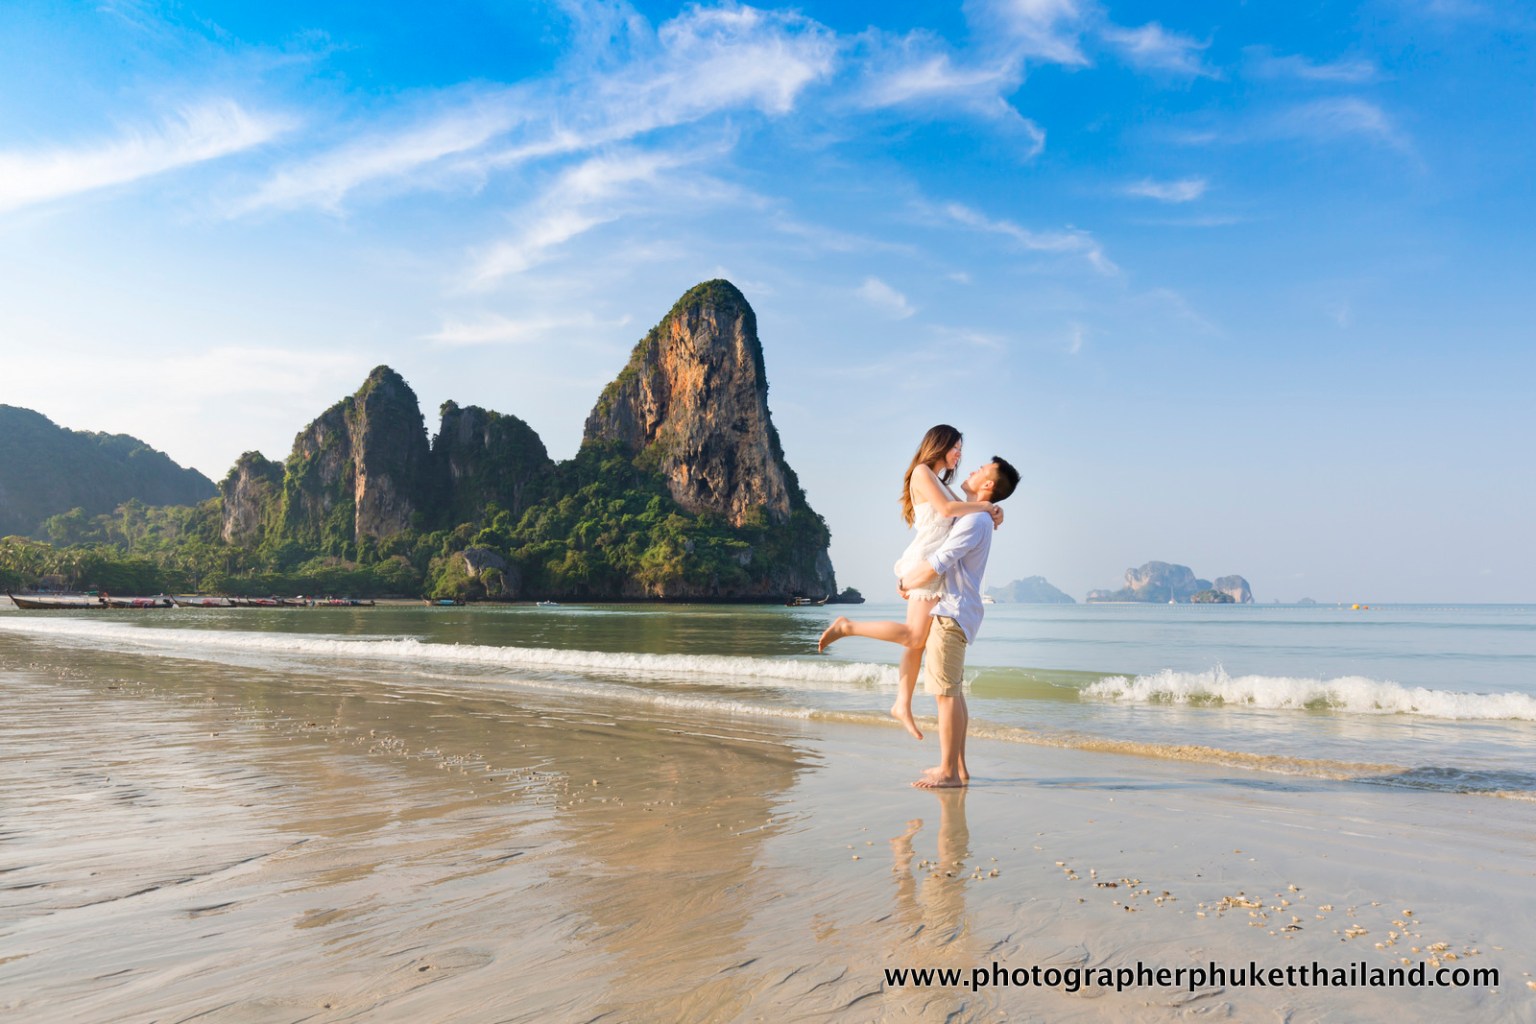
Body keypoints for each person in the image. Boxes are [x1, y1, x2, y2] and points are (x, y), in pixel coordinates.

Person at [818, 425, 1003, 740]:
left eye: (961, 448)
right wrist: (985, 506)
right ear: (939, 445)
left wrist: (994, 512)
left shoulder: (944, 485)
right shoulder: (921, 472)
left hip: (932, 565)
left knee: (915, 642)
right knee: (914, 637)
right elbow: (948, 511)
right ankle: (847, 626)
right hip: (926, 562)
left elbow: (963, 515)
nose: (960, 454)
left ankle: (902, 704)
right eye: (956, 447)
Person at [899, 457, 1019, 788]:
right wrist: (994, 510)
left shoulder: (974, 521)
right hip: (958, 611)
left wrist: (907, 582)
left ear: (989, 485)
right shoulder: (978, 516)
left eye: (979, 470)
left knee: (946, 695)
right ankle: (959, 768)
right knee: (954, 693)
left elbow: (940, 561)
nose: (970, 470)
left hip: (951, 612)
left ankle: (948, 771)